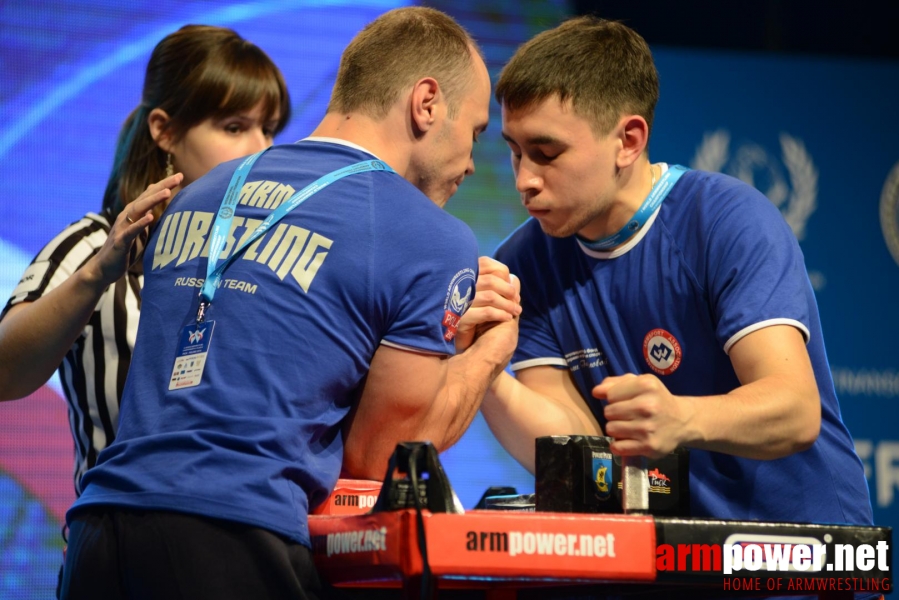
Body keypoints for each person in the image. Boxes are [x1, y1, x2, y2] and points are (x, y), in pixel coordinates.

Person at [60, 7, 519, 600]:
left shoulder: (200, 193)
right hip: (230, 539)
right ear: (426, 104)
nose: (470, 163)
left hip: (98, 531)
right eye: (476, 131)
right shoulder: (429, 234)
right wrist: (489, 351)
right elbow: (382, 459)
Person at [475, 15, 873, 533]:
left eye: (547, 153)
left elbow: (795, 410)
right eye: (514, 151)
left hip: (798, 555)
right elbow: (579, 451)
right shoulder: (522, 265)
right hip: (665, 563)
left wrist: (679, 418)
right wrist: (481, 368)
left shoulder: (726, 220)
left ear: (629, 140)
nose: (524, 180)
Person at [0, 25, 291, 502]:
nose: (261, 149)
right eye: (235, 127)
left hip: (244, 540)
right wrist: (97, 276)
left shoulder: (265, 257)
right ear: (165, 130)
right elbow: (5, 373)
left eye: (269, 128)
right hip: (122, 538)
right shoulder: (92, 243)